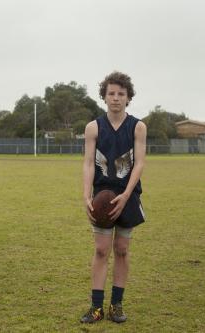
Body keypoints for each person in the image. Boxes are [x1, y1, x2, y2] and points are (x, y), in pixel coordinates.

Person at [80, 71, 147, 324]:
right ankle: (96, 307)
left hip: (127, 193)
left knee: (121, 249)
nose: (116, 98)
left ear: (128, 97)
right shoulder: (93, 127)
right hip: (102, 195)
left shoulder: (138, 126)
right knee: (100, 250)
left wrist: (127, 194)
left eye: (121, 94)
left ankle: (116, 306)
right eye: (111, 93)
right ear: (104, 96)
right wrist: (86, 195)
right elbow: (88, 163)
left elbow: (139, 163)